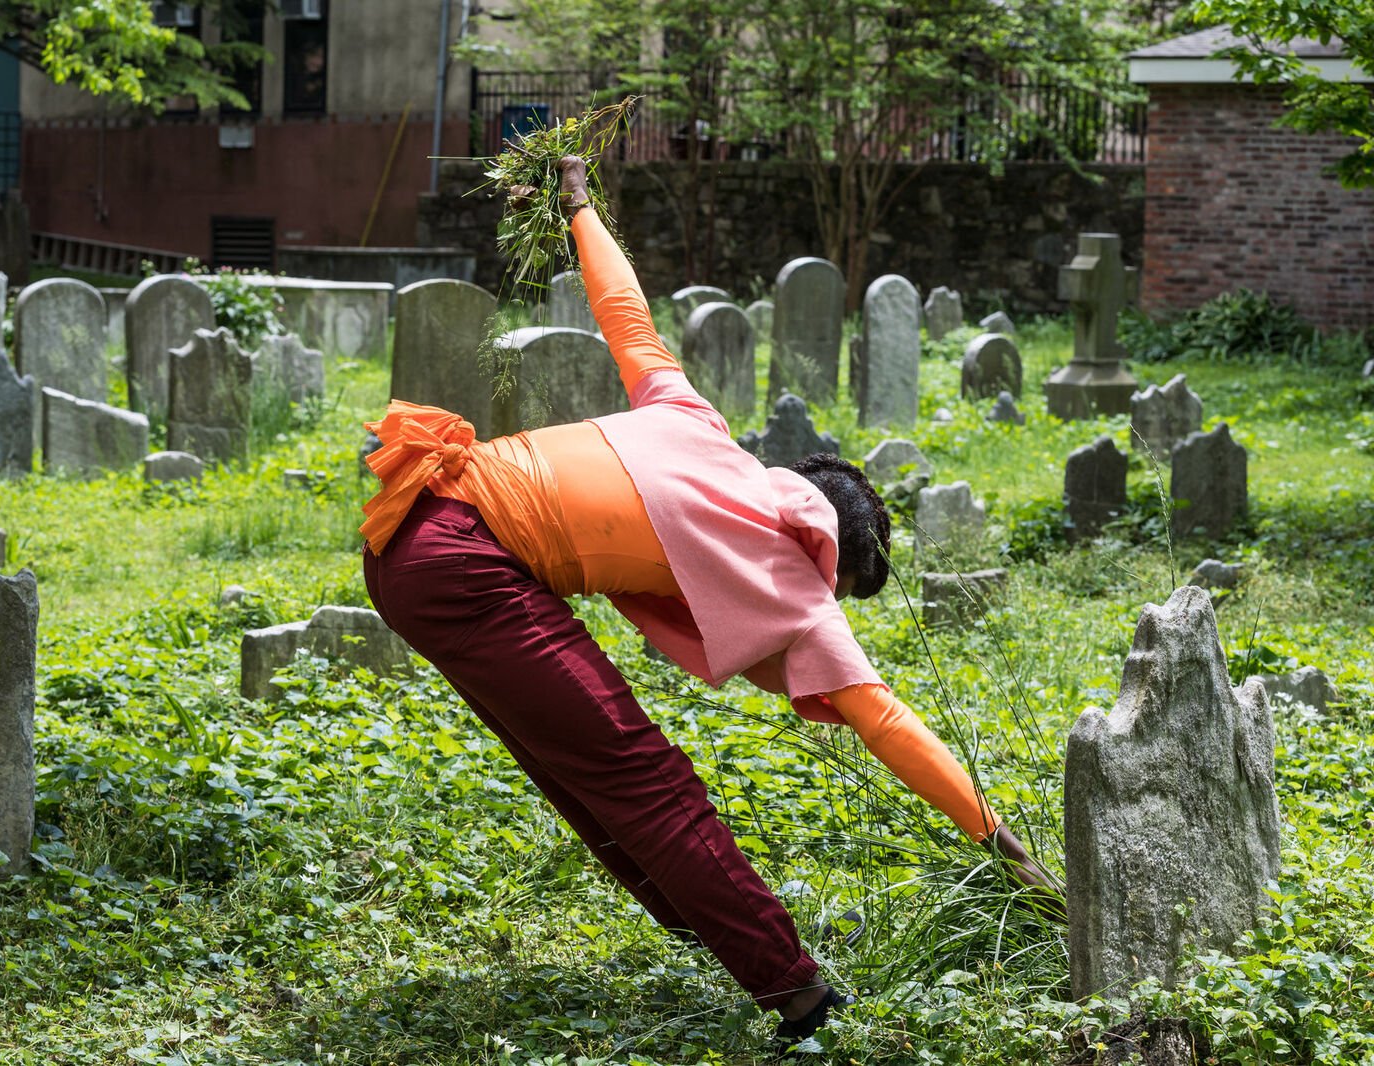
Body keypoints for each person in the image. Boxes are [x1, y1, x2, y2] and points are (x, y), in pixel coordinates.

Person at [360, 156, 1062, 1053]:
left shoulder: (699, 424)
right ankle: (798, 995)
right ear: (837, 563)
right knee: (647, 782)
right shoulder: (800, 586)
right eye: (841, 589)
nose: (827, 605)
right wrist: (999, 838)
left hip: (410, 535)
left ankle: (705, 920)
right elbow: (887, 724)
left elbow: (626, 317)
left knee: (579, 767)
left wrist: (580, 206)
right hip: (466, 562)